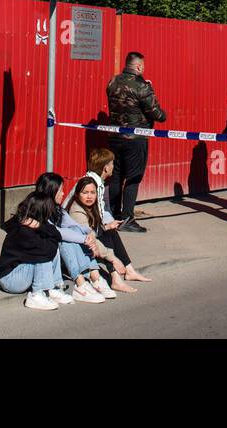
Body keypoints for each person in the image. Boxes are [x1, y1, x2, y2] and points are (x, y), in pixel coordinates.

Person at [106, 52, 167, 233]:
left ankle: (114, 214)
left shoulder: (112, 82)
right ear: (139, 66)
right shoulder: (142, 86)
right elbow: (158, 115)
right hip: (135, 138)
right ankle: (127, 218)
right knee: (133, 177)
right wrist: (151, 91)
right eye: (143, 66)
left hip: (114, 136)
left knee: (116, 176)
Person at [34, 172, 112, 302]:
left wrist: (90, 234)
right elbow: (58, 232)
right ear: (51, 191)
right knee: (65, 239)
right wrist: (85, 239)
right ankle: (80, 284)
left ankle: (95, 278)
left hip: (60, 259)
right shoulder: (38, 210)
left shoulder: (57, 209)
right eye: (60, 191)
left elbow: (74, 225)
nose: (64, 194)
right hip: (44, 262)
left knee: (75, 230)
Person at [0, 183, 69, 311]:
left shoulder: (35, 224)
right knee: (44, 255)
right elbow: (46, 251)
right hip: (10, 279)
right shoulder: (23, 231)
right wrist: (50, 240)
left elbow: (57, 235)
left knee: (50, 249)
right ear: (42, 212)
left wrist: (40, 226)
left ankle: (54, 287)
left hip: (20, 271)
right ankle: (36, 295)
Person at [84, 150, 154, 285]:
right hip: (81, 229)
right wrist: (107, 225)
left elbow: (101, 212)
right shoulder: (93, 184)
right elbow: (93, 217)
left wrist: (109, 223)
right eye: (112, 164)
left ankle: (128, 271)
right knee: (108, 233)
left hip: (88, 225)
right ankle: (118, 275)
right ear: (106, 167)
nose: (113, 167)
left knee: (110, 230)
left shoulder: (96, 180)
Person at [65, 176, 141, 293]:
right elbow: (90, 239)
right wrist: (113, 259)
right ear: (77, 194)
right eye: (85, 193)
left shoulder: (90, 207)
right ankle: (116, 279)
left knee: (110, 232)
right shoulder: (76, 211)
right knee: (104, 239)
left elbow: (93, 231)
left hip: (89, 243)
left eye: (93, 193)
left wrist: (107, 226)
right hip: (80, 249)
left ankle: (127, 270)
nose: (89, 196)